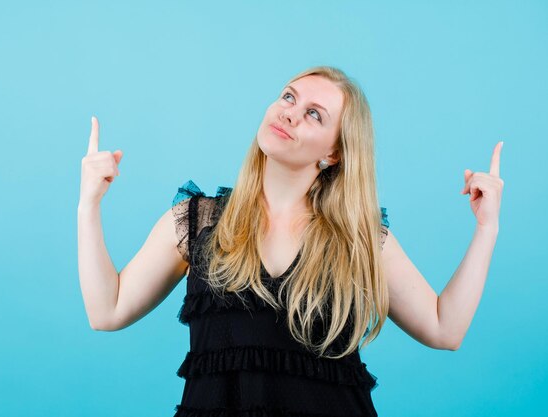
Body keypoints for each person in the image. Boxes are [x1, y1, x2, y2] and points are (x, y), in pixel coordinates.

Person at [77, 66, 504, 416]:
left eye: (315, 114)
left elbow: (445, 328)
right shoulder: (197, 220)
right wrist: (88, 204)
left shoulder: (359, 241)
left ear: (334, 153)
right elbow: (107, 310)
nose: (290, 114)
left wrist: (486, 229)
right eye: (288, 97)